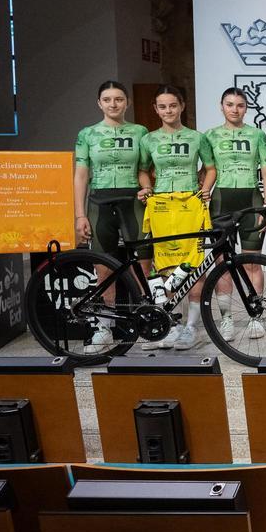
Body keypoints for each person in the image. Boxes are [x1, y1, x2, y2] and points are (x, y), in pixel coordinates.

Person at [73, 80, 149, 354]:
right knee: (103, 267)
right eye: (108, 99)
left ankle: (144, 320)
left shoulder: (140, 131)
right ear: (99, 103)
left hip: (132, 200)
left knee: (142, 263)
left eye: (118, 99)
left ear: (127, 103)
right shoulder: (87, 134)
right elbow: (81, 176)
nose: (113, 104)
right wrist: (80, 214)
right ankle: (104, 328)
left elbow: (145, 168)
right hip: (99, 201)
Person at [137, 84, 214, 350]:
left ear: (182, 106)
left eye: (173, 105)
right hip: (161, 207)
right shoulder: (148, 139)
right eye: (162, 106)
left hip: (190, 205)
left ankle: (193, 327)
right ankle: (173, 324)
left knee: (194, 266)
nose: (168, 110)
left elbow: (211, 168)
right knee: (166, 267)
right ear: (156, 110)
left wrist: (204, 191)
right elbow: (143, 169)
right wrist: (147, 188)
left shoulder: (197, 137)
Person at [204, 87, 266, 341]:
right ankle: (226, 319)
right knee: (222, 264)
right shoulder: (209, 135)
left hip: (250, 200)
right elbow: (206, 172)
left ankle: (256, 316)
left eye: (240, 105)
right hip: (221, 202)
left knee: (252, 261)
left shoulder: (257, 135)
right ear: (221, 106)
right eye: (230, 104)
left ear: (246, 108)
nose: (235, 109)